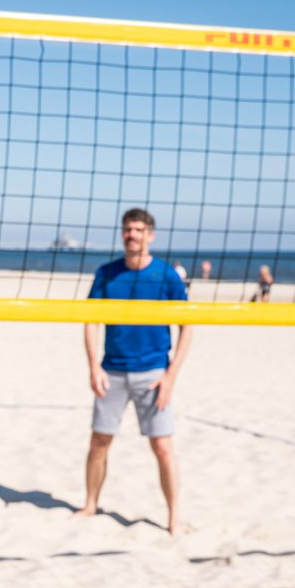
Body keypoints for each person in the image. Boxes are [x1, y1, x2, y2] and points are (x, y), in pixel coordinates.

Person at [73, 208, 193, 535]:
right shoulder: (107, 273)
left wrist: (170, 376)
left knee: (162, 446)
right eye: (128, 229)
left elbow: (187, 327)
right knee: (99, 441)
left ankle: (173, 519)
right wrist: (93, 365)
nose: (132, 235)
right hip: (111, 371)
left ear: (150, 235)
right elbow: (90, 320)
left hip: (153, 372)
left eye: (139, 230)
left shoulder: (167, 275)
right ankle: (90, 504)